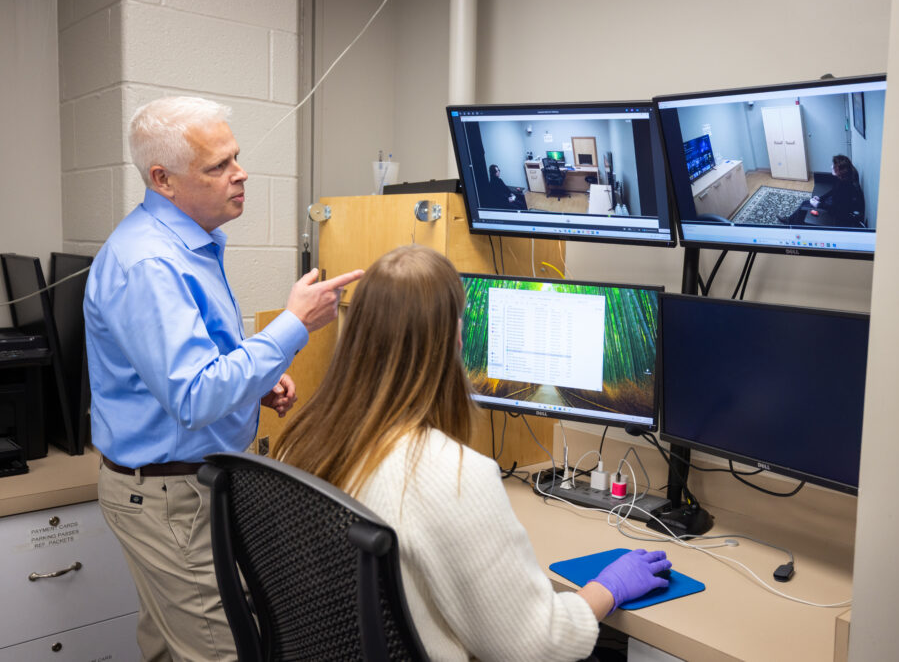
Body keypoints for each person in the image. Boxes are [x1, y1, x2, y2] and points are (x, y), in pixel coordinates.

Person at [273, 244, 670, 661]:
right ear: (453, 340)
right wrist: (608, 587)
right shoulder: (455, 474)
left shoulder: (301, 441)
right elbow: (538, 646)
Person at [85, 96, 363, 661]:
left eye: (235, 157)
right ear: (162, 178)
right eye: (218, 167)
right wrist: (292, 327)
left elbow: (194, 366)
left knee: (170, 647)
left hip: (181, 485)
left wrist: (252, 382)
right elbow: (192, 395)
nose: (240, 175)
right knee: (221, 653)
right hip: (170, 495)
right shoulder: (150, 264)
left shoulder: (190, 245)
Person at [777, 154, 865, 227]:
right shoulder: (842, 179)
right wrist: (820, 198)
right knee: (805, 203)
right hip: (831, 203)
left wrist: (819, 204)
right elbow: (833, 191)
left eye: (834, 166)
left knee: (804, 206)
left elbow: (837, 210)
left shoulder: (846, 188)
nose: (832, 167)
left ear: (840, 170)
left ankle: (790, 223)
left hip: (834, 214)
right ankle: (791, 221)